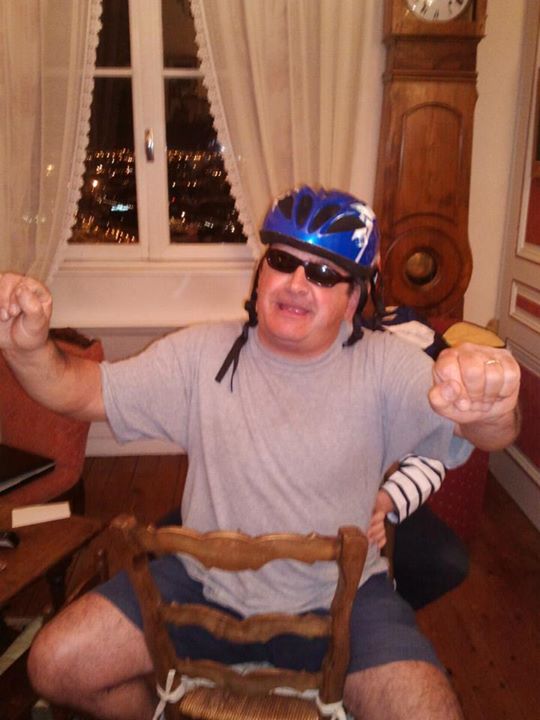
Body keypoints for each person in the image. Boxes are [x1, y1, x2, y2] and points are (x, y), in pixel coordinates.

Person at [0, 186, 520, 720]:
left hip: (338, 597)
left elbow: (487, 432)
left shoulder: (386, 366)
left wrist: (492, 405)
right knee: (55, 665)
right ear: (261, 273)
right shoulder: (200, 354)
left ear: (354, 300)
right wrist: (25, 348)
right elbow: (80, 391)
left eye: (323, 274)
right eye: (283, 261)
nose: (296, 283)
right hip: (199, 583)